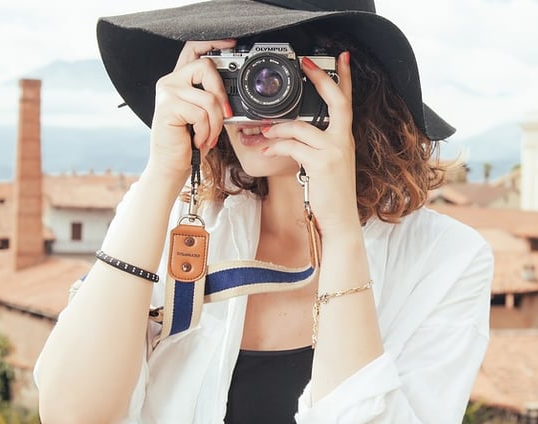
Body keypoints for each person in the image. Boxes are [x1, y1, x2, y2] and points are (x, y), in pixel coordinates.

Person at [33, 0, 495, 423]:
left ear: (352, 83)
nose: (259, 92)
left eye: (281, 71)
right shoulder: (173, 223)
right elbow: (71, 414)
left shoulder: (447, 261)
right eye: (235, 67)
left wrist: (340, 233)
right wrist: (163, 174)